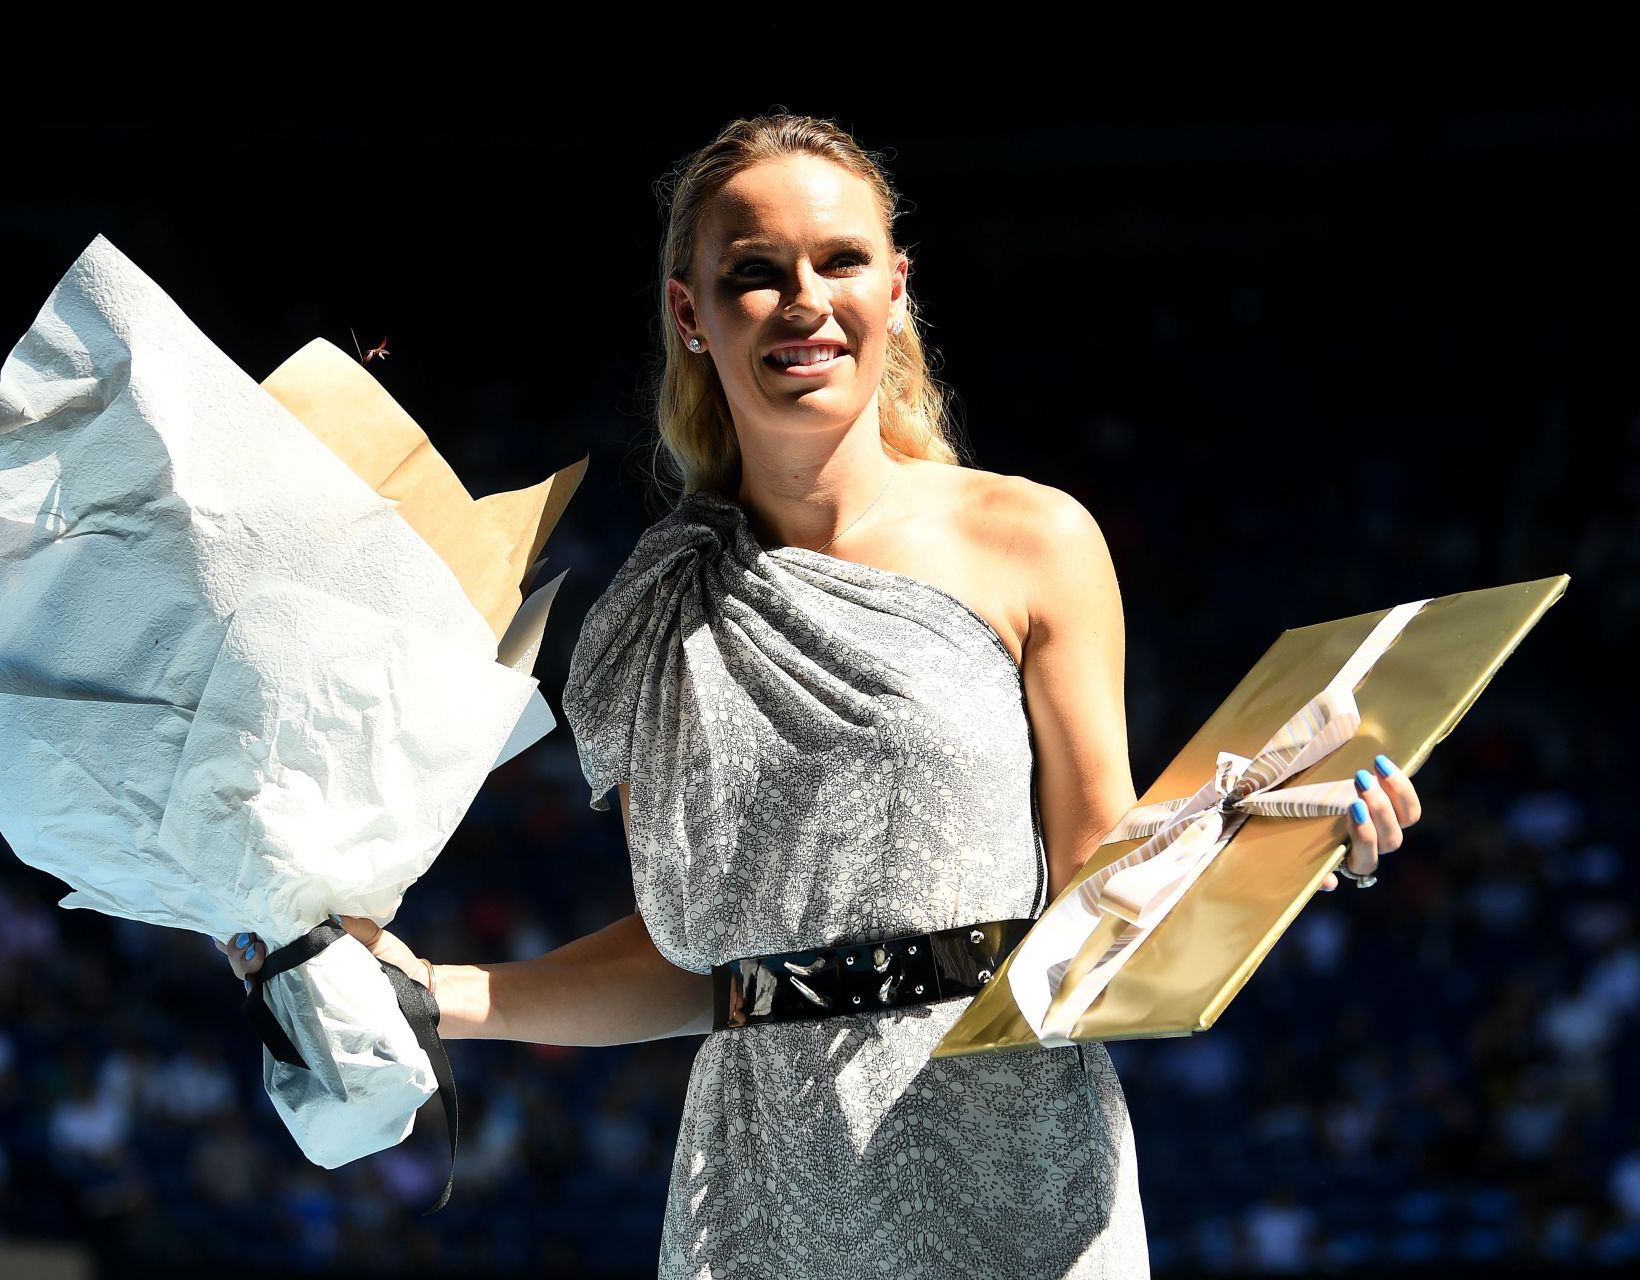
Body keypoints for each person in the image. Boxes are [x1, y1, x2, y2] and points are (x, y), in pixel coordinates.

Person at [220, 112, 1423, 1277]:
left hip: (1022, 1178)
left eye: (840, 259)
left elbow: (1106, 882)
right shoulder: (656, 610)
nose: (805, 298)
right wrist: (436, 993)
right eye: (756, 270)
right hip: (755, 1201)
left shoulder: (1036, 540)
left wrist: (1311, 843)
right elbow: (693, 963)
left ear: (895, 286)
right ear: (691, 312)